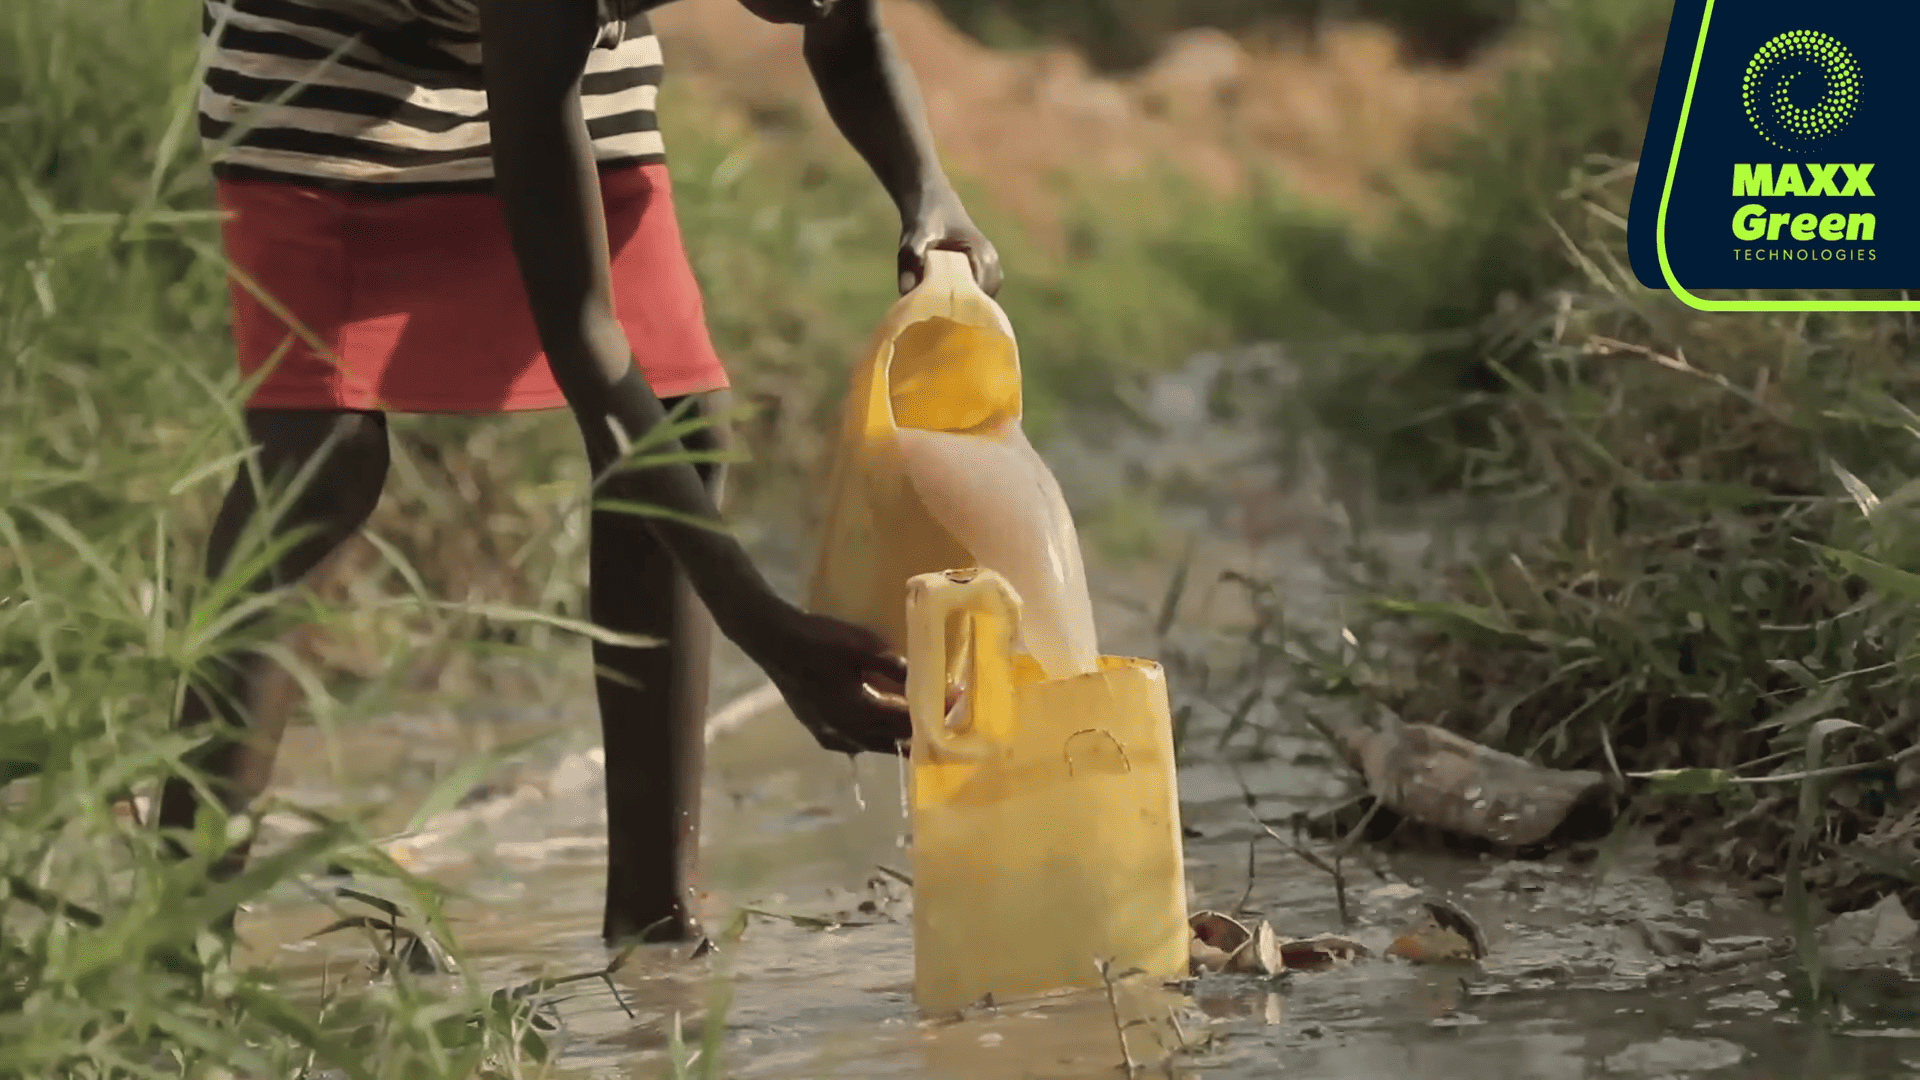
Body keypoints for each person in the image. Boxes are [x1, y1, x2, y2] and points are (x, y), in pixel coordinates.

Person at [162, 0, 1001, 945]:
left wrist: (928, 192)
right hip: (320, 53)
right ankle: (175, 941)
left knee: (683, 417)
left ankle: (659, 925)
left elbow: (849, 39)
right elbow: (584, 337)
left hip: (549, 40)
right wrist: (768, 633)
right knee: (319, 465)